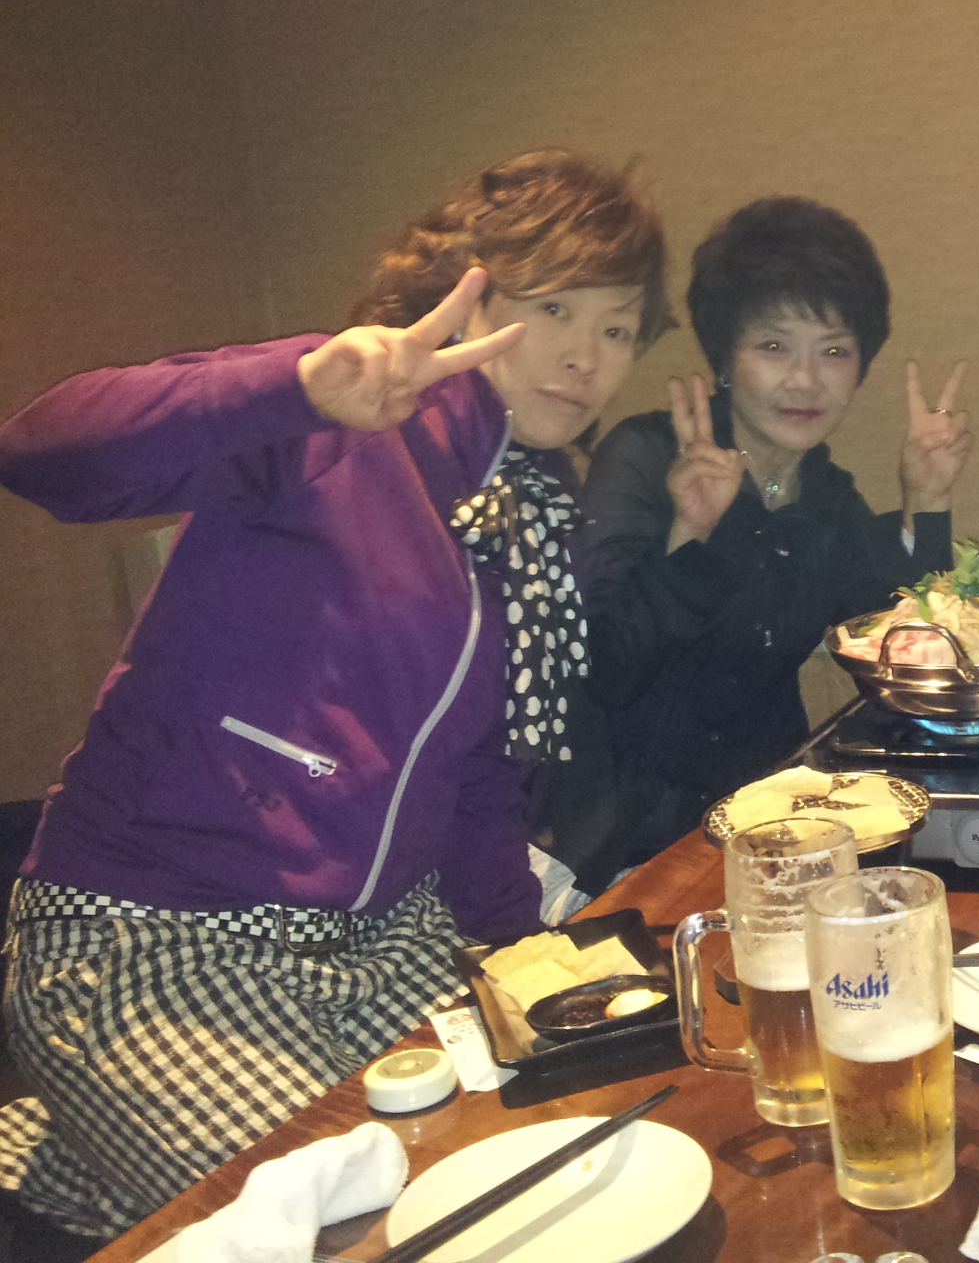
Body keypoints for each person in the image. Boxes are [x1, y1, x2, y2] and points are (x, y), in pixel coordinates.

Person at [0, 149, 672, 1239]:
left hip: (380, 941)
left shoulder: (528, 513)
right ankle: (103, 1122)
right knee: (372, 1224)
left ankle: (87, 1164)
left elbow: (475, 782)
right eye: (554, 307)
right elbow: (41, 452)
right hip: (156, 935)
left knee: (553, 1141)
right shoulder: (335, 420)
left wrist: (525, 958)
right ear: (471, 296)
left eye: (618, 328)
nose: (585, 356)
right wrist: (292, 382)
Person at [554, 196, 970, 888]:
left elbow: (906, 659)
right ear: (725, 356)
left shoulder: (827, 498)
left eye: (833, 351)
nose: (804, 379)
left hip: (768, 835)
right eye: (773, 346)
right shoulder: (646, 456)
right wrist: (691, 536)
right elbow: (604, 671)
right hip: (620, 850)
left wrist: (926, 502)